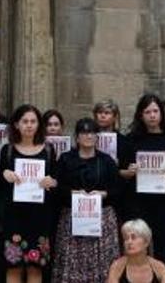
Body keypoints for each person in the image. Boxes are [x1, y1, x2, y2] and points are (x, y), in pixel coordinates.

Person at [53, 118, 120, 283]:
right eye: (84, 132)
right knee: (72, 264)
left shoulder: (107, 161)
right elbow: (57, 187)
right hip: (72, 218)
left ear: (97, 136)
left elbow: (118, 189)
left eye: (92, 132)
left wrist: (104, 194)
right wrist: (73, 193)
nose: (88, 136)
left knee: (101, 263)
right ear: (77, 137)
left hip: (102, 218)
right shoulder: (66, 159)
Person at [0, 105, 59, 283]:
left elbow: (56, 181)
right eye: (25, 121)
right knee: (13, 267)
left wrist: (52, 182)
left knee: (35, 268)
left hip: (40, 218)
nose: (29, 125)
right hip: (14, 217)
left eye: (33, 121)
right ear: (16, 124)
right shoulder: (7, 150)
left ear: (39, 125)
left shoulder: (48, 150)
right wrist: (4, 175)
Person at [118, 94, 165, 267]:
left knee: (163, 252)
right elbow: (119, 172)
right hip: (137, 204)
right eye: (147, 112)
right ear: (141, 115)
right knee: (135, 250)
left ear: (161, 113)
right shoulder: (130, 140)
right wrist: (128, 172)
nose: (152, 115)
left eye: (155, 111)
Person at [106, 219, 165, 283]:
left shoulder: (159, 267)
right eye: (126, 238)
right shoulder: (117, 266)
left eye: (133, 237)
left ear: (146, 242)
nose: (129, 242)